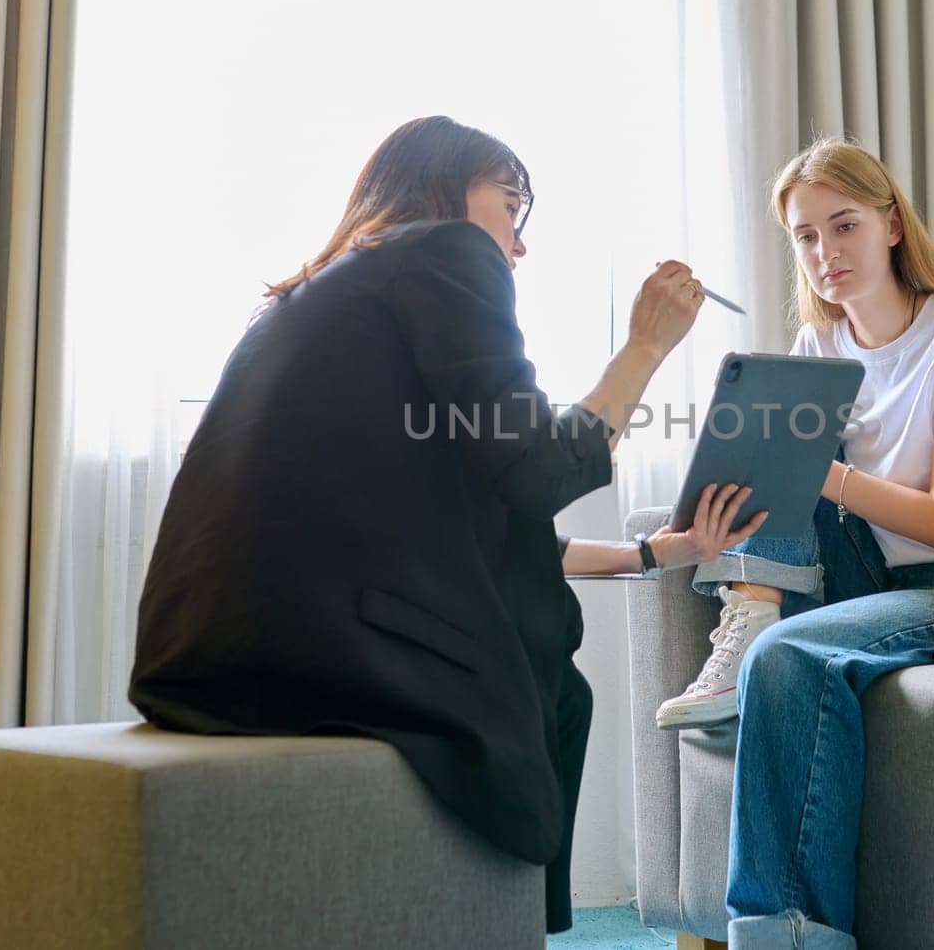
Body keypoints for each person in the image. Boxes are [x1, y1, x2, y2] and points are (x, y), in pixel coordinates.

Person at [127, 115, 762, 935]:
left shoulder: (316, 296)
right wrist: (644, 347)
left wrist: (654, 551)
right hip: (313, 652)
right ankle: (510, 925)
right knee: (556, 692)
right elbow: (538, 471)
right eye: (510, 206)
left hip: (205, 657)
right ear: (446, 188)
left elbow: (471, 529)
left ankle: (498, 923)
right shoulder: (443, 251)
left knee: (546, 669)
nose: (518, 244)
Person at [656, 137, 934, 949]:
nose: (824, 253)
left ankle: (788, 934)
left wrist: (821, 473)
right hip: (851, 569)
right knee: (763, 424)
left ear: (892, 225)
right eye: (805, 236)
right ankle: (751, 606)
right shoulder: (821, 347)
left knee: (788, 651)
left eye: (843, 227)